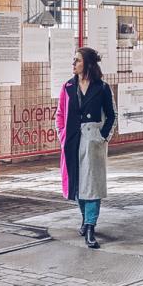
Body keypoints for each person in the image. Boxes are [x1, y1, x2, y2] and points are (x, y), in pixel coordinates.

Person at [56, 47, 116, 249]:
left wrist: (102, 137)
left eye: (77, 60)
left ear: (88, 64)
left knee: (92, 185)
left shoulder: (102, 88)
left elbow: (111, 115)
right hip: (72, 139)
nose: (73, 64)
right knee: (77, 183)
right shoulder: (68, 87)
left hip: (93, 140)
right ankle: (84, 218)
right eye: (74, 60)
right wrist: (62, 134)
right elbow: (60, 115)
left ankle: (90, 226)